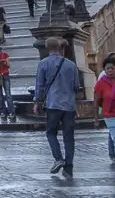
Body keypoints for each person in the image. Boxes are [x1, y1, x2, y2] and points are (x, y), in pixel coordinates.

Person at [34, 36, 80, 177]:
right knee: (69, 136)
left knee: (51, 132)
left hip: (53, 103)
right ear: (60, 47)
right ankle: (69, 168)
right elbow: (76, 86)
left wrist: (37, 102)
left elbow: (40, 85)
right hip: (69, 105)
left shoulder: (43, 64)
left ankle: (58, 158)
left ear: (47, 48)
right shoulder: (71, 65)